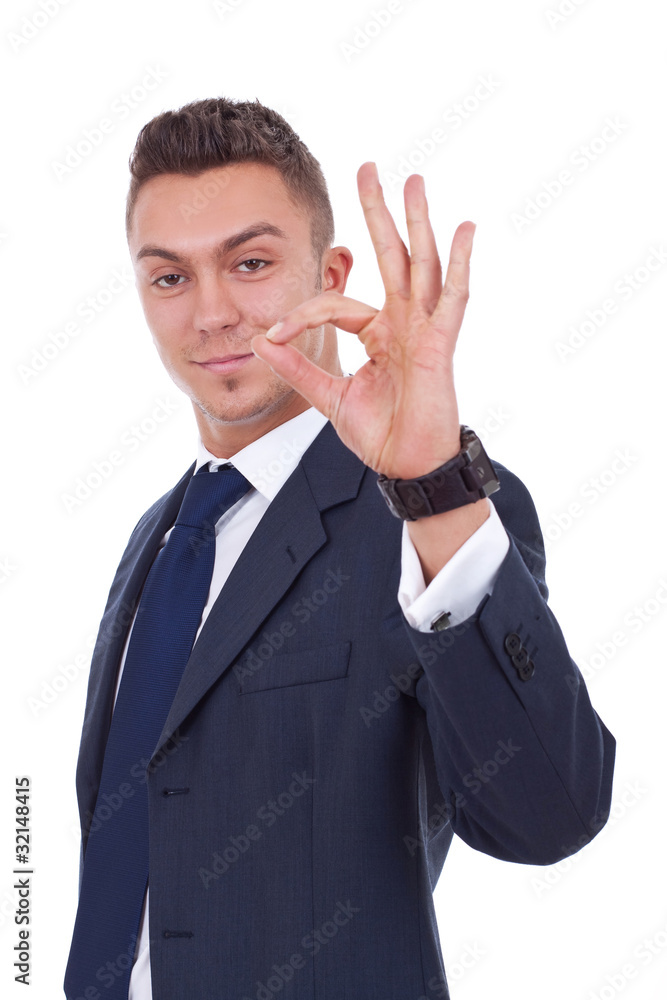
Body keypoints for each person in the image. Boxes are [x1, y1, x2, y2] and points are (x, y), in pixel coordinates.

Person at [64, 97, 615, 1000]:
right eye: (168, 277)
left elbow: (548, 816)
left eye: (249, 264)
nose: (210, 314)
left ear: (329, 273)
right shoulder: (157, 539)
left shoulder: (430, 507)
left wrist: (432, 487)